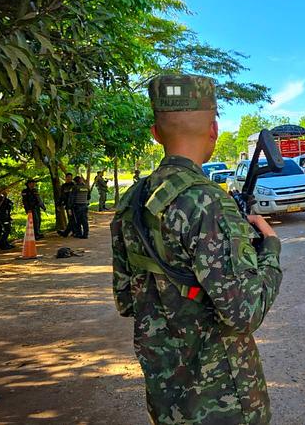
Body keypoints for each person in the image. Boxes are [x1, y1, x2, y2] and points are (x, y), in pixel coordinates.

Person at [111, 74, 283, 424]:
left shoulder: (132, 200)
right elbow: (244, 313)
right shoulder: (209, 203)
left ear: (156, 133)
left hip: (166, 396)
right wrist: (269, 250)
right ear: (214, 130)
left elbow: (126, 300)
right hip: (224, 401)